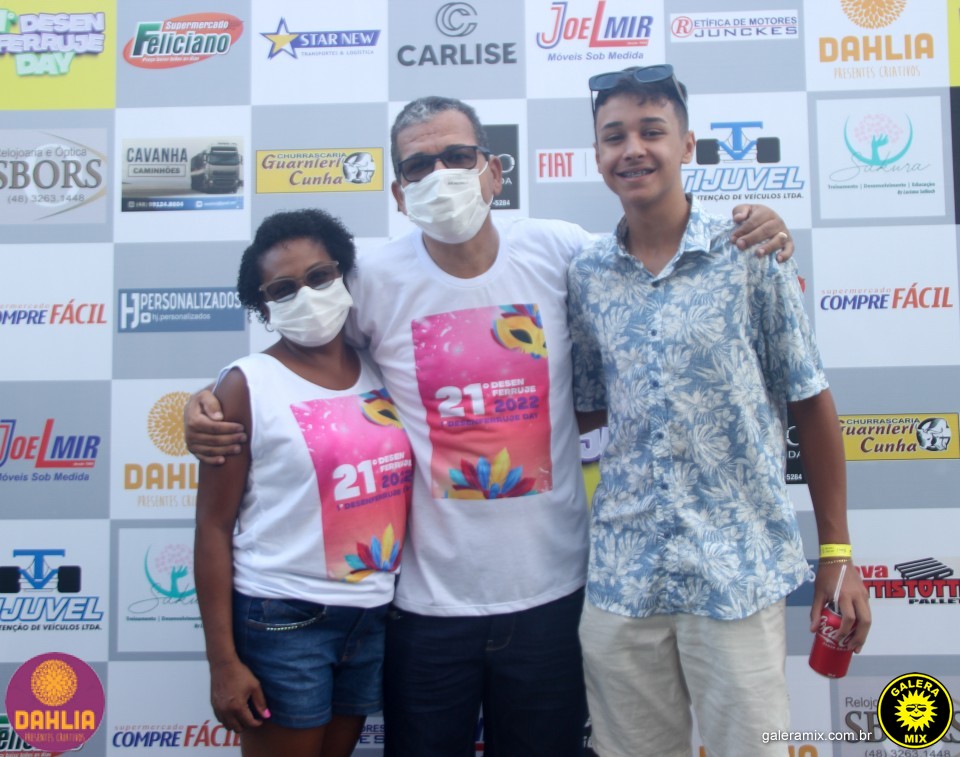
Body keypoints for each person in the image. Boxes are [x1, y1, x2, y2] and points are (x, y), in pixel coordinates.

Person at [186, 96, 795, 756]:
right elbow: (306, 356)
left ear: (494, 171)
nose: (440, 174)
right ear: (398, 193)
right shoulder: (372, 282)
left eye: (458, 156)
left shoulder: (562, 251)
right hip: (425, 608)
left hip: (555, 597)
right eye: (419, 165)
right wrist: (213, 401)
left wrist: (753, 225)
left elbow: (652, 262)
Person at [566, 65, 872, 757]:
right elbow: (590, 412)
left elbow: (810, 399)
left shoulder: (751, 251)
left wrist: (837, 553)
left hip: (735, 569)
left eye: (652, 131)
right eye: (614, 136)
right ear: (598, 154)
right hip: (623, 577)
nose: (632, 149)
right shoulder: (586, 274)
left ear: (687, 145)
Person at [194, 209, 413, 757]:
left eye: (319, 276)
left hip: (371, 615)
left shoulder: (383, 369)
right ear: (264, 306)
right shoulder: (246, 385)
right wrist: (222, 662)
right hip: (283, 617)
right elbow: (213, 527)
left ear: (343, 275)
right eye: (284, 288)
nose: (308, 295)